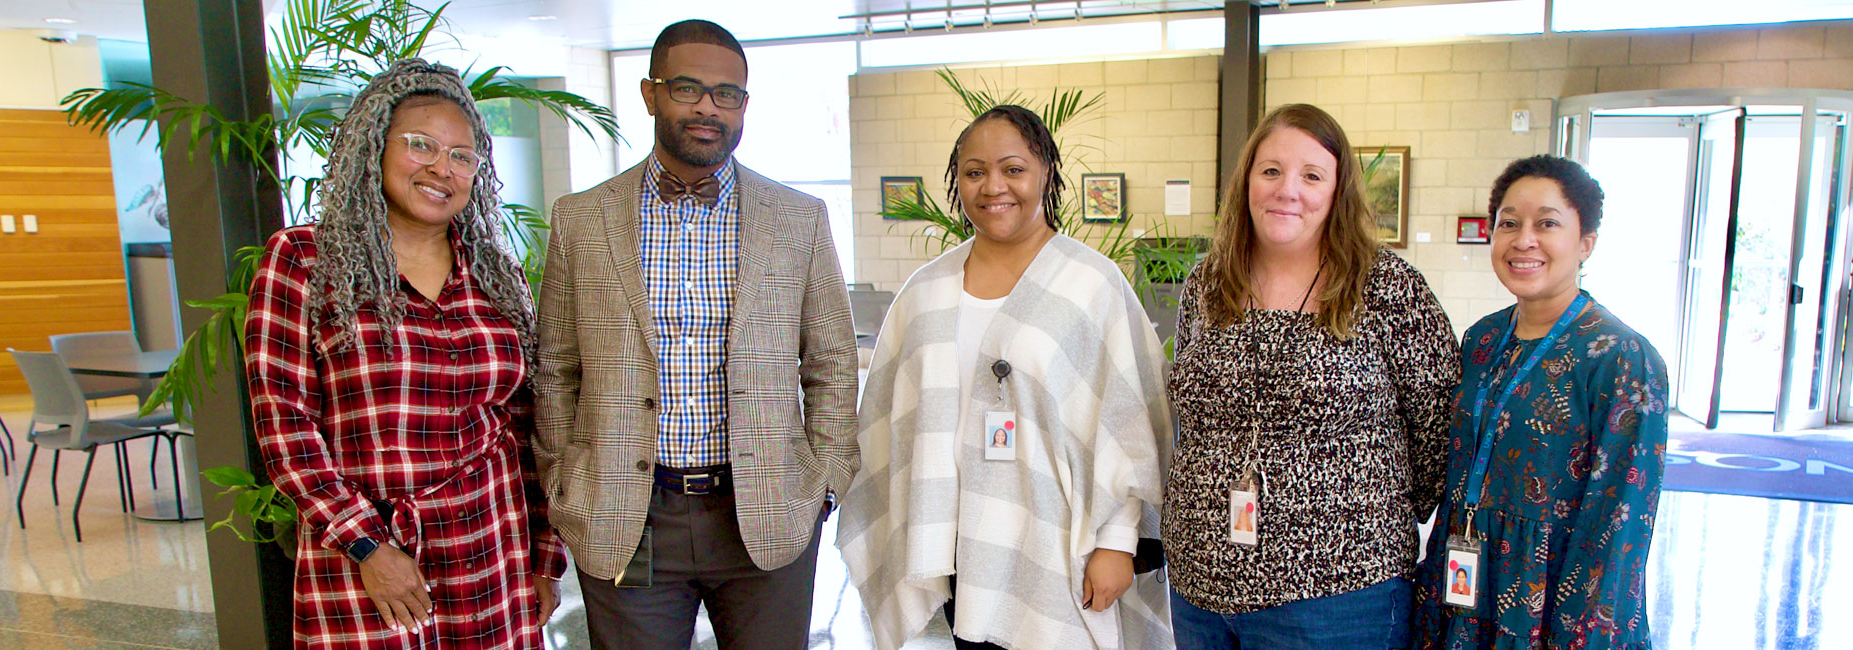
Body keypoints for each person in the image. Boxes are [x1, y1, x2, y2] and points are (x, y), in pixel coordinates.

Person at [531, 19, 859, 650]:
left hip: (766, 511)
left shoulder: (799, 219)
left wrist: (824, 483)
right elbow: (557, 368)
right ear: (651, 94)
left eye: (727, 94)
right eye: (688, 89)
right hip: (629, 514)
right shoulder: (582, 219)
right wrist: (566, 479)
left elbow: (832, 365)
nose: (709, 108)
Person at [244, 59, 563, 648]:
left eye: (462, 156)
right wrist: (366, 544)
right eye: (422, 146)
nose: (443, 168)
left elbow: (526, 427)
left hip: (491, 549)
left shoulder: (496, 275)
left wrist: (543, 557)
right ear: (375, 147)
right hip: (370, 559)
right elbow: (284, 426)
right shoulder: (304, 261)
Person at [837, 104, 1176, 650]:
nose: (993, 186)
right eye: (975, 172)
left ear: (1045, 170)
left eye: (1012, 169)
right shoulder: (924, 293)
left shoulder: (1090, 285)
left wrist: (1117, 542)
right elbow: (888, 426)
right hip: (957, 553)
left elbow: (1129, 423)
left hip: (1060, 551)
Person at [1164, 103, 1460, 649]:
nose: (1287, 190)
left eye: (1311, 175)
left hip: (1340, 592)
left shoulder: (1388, 289)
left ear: (1338, 189)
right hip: (1199, 583)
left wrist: (1349, 511)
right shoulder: (1208, 283)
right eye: (1271, 170)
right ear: (1246, 179)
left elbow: (1438, 431)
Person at [1411, 155, 1668, 650]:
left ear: (1585, 242)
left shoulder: (1620, 357)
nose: (1523, 239)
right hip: (1465, 579)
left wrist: (1577, 632)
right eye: (1509, 223)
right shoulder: (1483, 340)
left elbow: (1621, 521)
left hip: (1553, 596)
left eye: (1547, 223)